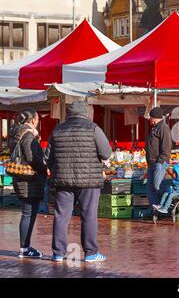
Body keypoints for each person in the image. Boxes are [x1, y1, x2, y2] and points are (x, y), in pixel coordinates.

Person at [45, 101, 112, 263]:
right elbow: (106, 153)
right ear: (86, 113)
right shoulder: (93, 128)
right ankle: (90, 253)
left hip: (63, 181)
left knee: (61, 216)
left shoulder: (57, 130)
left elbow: (48, 157)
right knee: (88, 216)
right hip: (89, 182)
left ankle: (58, 253)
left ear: (68, 113)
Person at [10, 109, 47, 259]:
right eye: (37, 118)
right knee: (28, 213)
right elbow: (31, 157)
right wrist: (45, 167)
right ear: (33, 120)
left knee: (28, 213)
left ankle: (25, 247)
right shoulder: (28, 135)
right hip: (28, 179)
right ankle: (24, 249)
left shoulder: (17, 133)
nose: (38, 121)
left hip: (22, 178)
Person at [146, 107, 172, 215]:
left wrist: (160, 162)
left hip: (159, 163)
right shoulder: (155, 127)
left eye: (150, 118)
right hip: (152, 163)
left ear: (153, 118)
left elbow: (166, 147)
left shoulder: (163, 128)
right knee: (151, 188)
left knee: (157, 187)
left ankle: (168, 199)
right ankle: (155, 211)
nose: (149, 120)